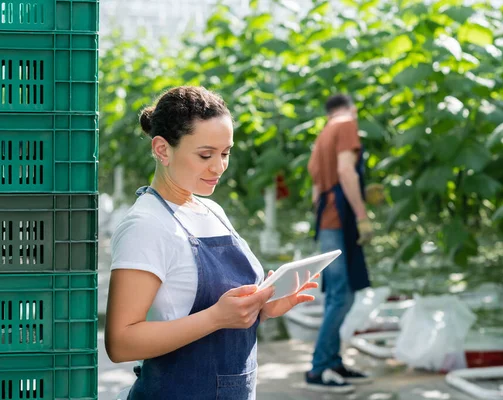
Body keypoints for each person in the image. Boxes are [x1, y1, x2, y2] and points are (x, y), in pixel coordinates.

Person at [105, 86, 318, 400]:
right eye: (205, 155)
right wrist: (215, 317)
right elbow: (121, 343)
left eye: (225, 152)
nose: (219, 166)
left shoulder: (212, 211)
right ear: (162, 150)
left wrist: (264, 307)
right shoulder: (146, 225)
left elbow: (219, 305)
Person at [305, 94, 375, 393]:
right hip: (339, 219)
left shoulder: (323, 134)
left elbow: (316, 188)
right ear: (352, 109)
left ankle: (332, 361)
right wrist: (361, 215)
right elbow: (346, 171)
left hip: (326, 219)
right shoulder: (346, 124)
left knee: (340, 292)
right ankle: (320, 367)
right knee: (341, 295)